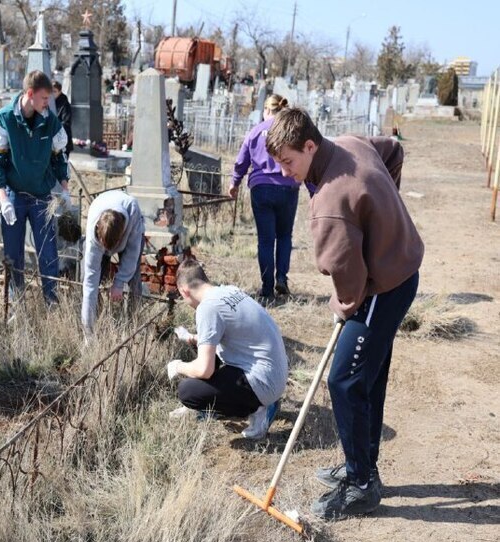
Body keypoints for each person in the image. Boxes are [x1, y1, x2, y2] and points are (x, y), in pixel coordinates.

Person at [265, 107, 423, 520]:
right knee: (367, 375)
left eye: (288, 162)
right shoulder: (349, 143)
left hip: (385, 286)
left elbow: (348, 282)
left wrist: (343, 306)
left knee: (344, 378)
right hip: (404, 269)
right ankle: (362, 466)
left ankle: (361, 485)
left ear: (310, 145)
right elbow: (393, 152)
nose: (284, 173)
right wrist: (382, 213)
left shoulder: (329, 203)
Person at [166, 259, 288, 440]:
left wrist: (177, 366)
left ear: (184, 291)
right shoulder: (229, 291)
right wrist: (191, 337)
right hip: (275, 373)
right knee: (208, 353)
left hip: (264, 383)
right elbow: (225, 337)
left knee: (188, 391)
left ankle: (258, 410)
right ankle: (257, 402)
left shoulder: (207, 308)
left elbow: (204, 370)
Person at [0, 70, 70, 305]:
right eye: (44, 98)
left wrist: (64, 188)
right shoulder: (4, 120)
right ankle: (16, 303)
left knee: (48, 252)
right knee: (13, 254)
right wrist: (3, 198)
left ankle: (51, 301)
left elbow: (59, 157)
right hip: (14, 194)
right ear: (30, 94)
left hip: (42, 196)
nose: (48, 103)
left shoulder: (50, 121)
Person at [230, 94, 301, 301]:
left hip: (261, 188)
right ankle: (282, 278)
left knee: (266, 240)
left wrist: (234, 183)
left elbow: (241, 161)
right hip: (288, 187)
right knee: (285, 235)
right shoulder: (291, 132)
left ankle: (267, 287)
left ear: (266, 110)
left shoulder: (255, 131)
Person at [81, 190, 144, 334]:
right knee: (87, 280)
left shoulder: (132, 209)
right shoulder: (93, 234)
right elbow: (91, 281)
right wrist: (88, 333)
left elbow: (132, 253)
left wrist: (119, 282)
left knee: (134, 279)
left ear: (122, 235)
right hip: (101, 214)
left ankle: (133, 327)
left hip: (132, 231)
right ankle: (93, 325)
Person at [52, 80, 74, 155]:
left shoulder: (65, 105)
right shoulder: (51, 102)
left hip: (63, 140)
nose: (52, 93)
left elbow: (66, 122)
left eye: (54, 91)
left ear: (60, 91)